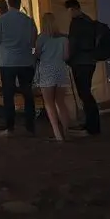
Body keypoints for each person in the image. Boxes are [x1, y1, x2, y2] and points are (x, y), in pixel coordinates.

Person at [0, 0, 38, 136]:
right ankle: (30, 126)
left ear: (9, 4)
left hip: (8, 62)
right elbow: (33, 41)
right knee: (28, 94)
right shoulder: (28, 21)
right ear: (19, 4)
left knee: (8, 95)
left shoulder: (1, 20)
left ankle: (10, 128)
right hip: (26, 61)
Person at [65, 0, 100, 135]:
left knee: (84, 93)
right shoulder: (88, 20)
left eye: (69, 11)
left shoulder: (76, 22)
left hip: (80, 62)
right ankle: (92, 124)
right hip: (90, 61)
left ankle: (92, 126)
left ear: (73, 9)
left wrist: (68, 58)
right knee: (86, 93)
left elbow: (73, 43)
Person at [36, 12, 72, 141]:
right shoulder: (64, 39)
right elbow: (66, 57)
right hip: (61, 70)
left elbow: (38, 54)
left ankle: (57, 133)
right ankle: (67, 131)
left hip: (47, 71)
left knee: (49, 103)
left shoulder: (41, 38)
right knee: (61, 102)